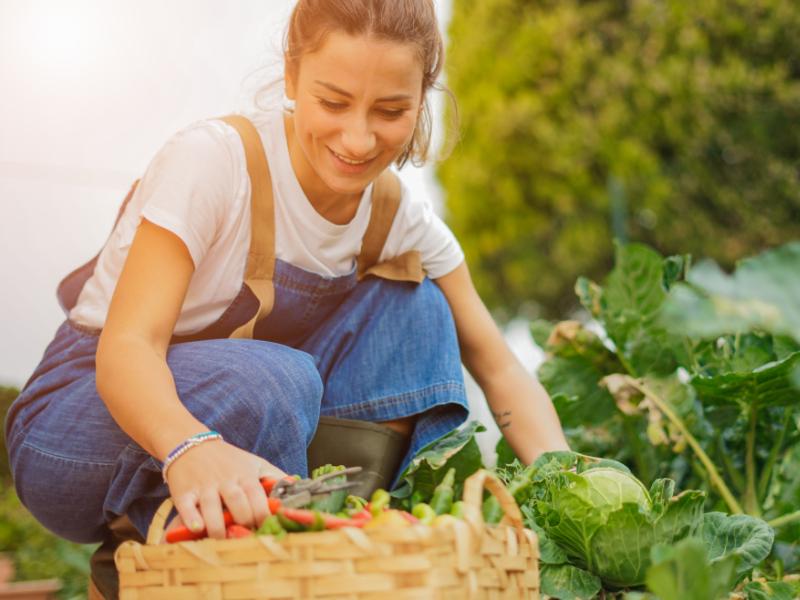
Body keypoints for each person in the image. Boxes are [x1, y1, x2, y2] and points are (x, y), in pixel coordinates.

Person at [4, 0, 569, 544]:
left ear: (423, 100)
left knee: (418, 307)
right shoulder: (215, 163)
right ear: (292, 77)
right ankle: (157, 535)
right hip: (74, 425)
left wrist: (571, 490)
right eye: (334, 102)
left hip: (253, 410)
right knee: (275, 380)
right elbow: (127, 348)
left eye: (391, 111)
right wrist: (189, 447)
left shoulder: (398, 217)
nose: (358, 139)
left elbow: (499, 369)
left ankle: (337, 536)